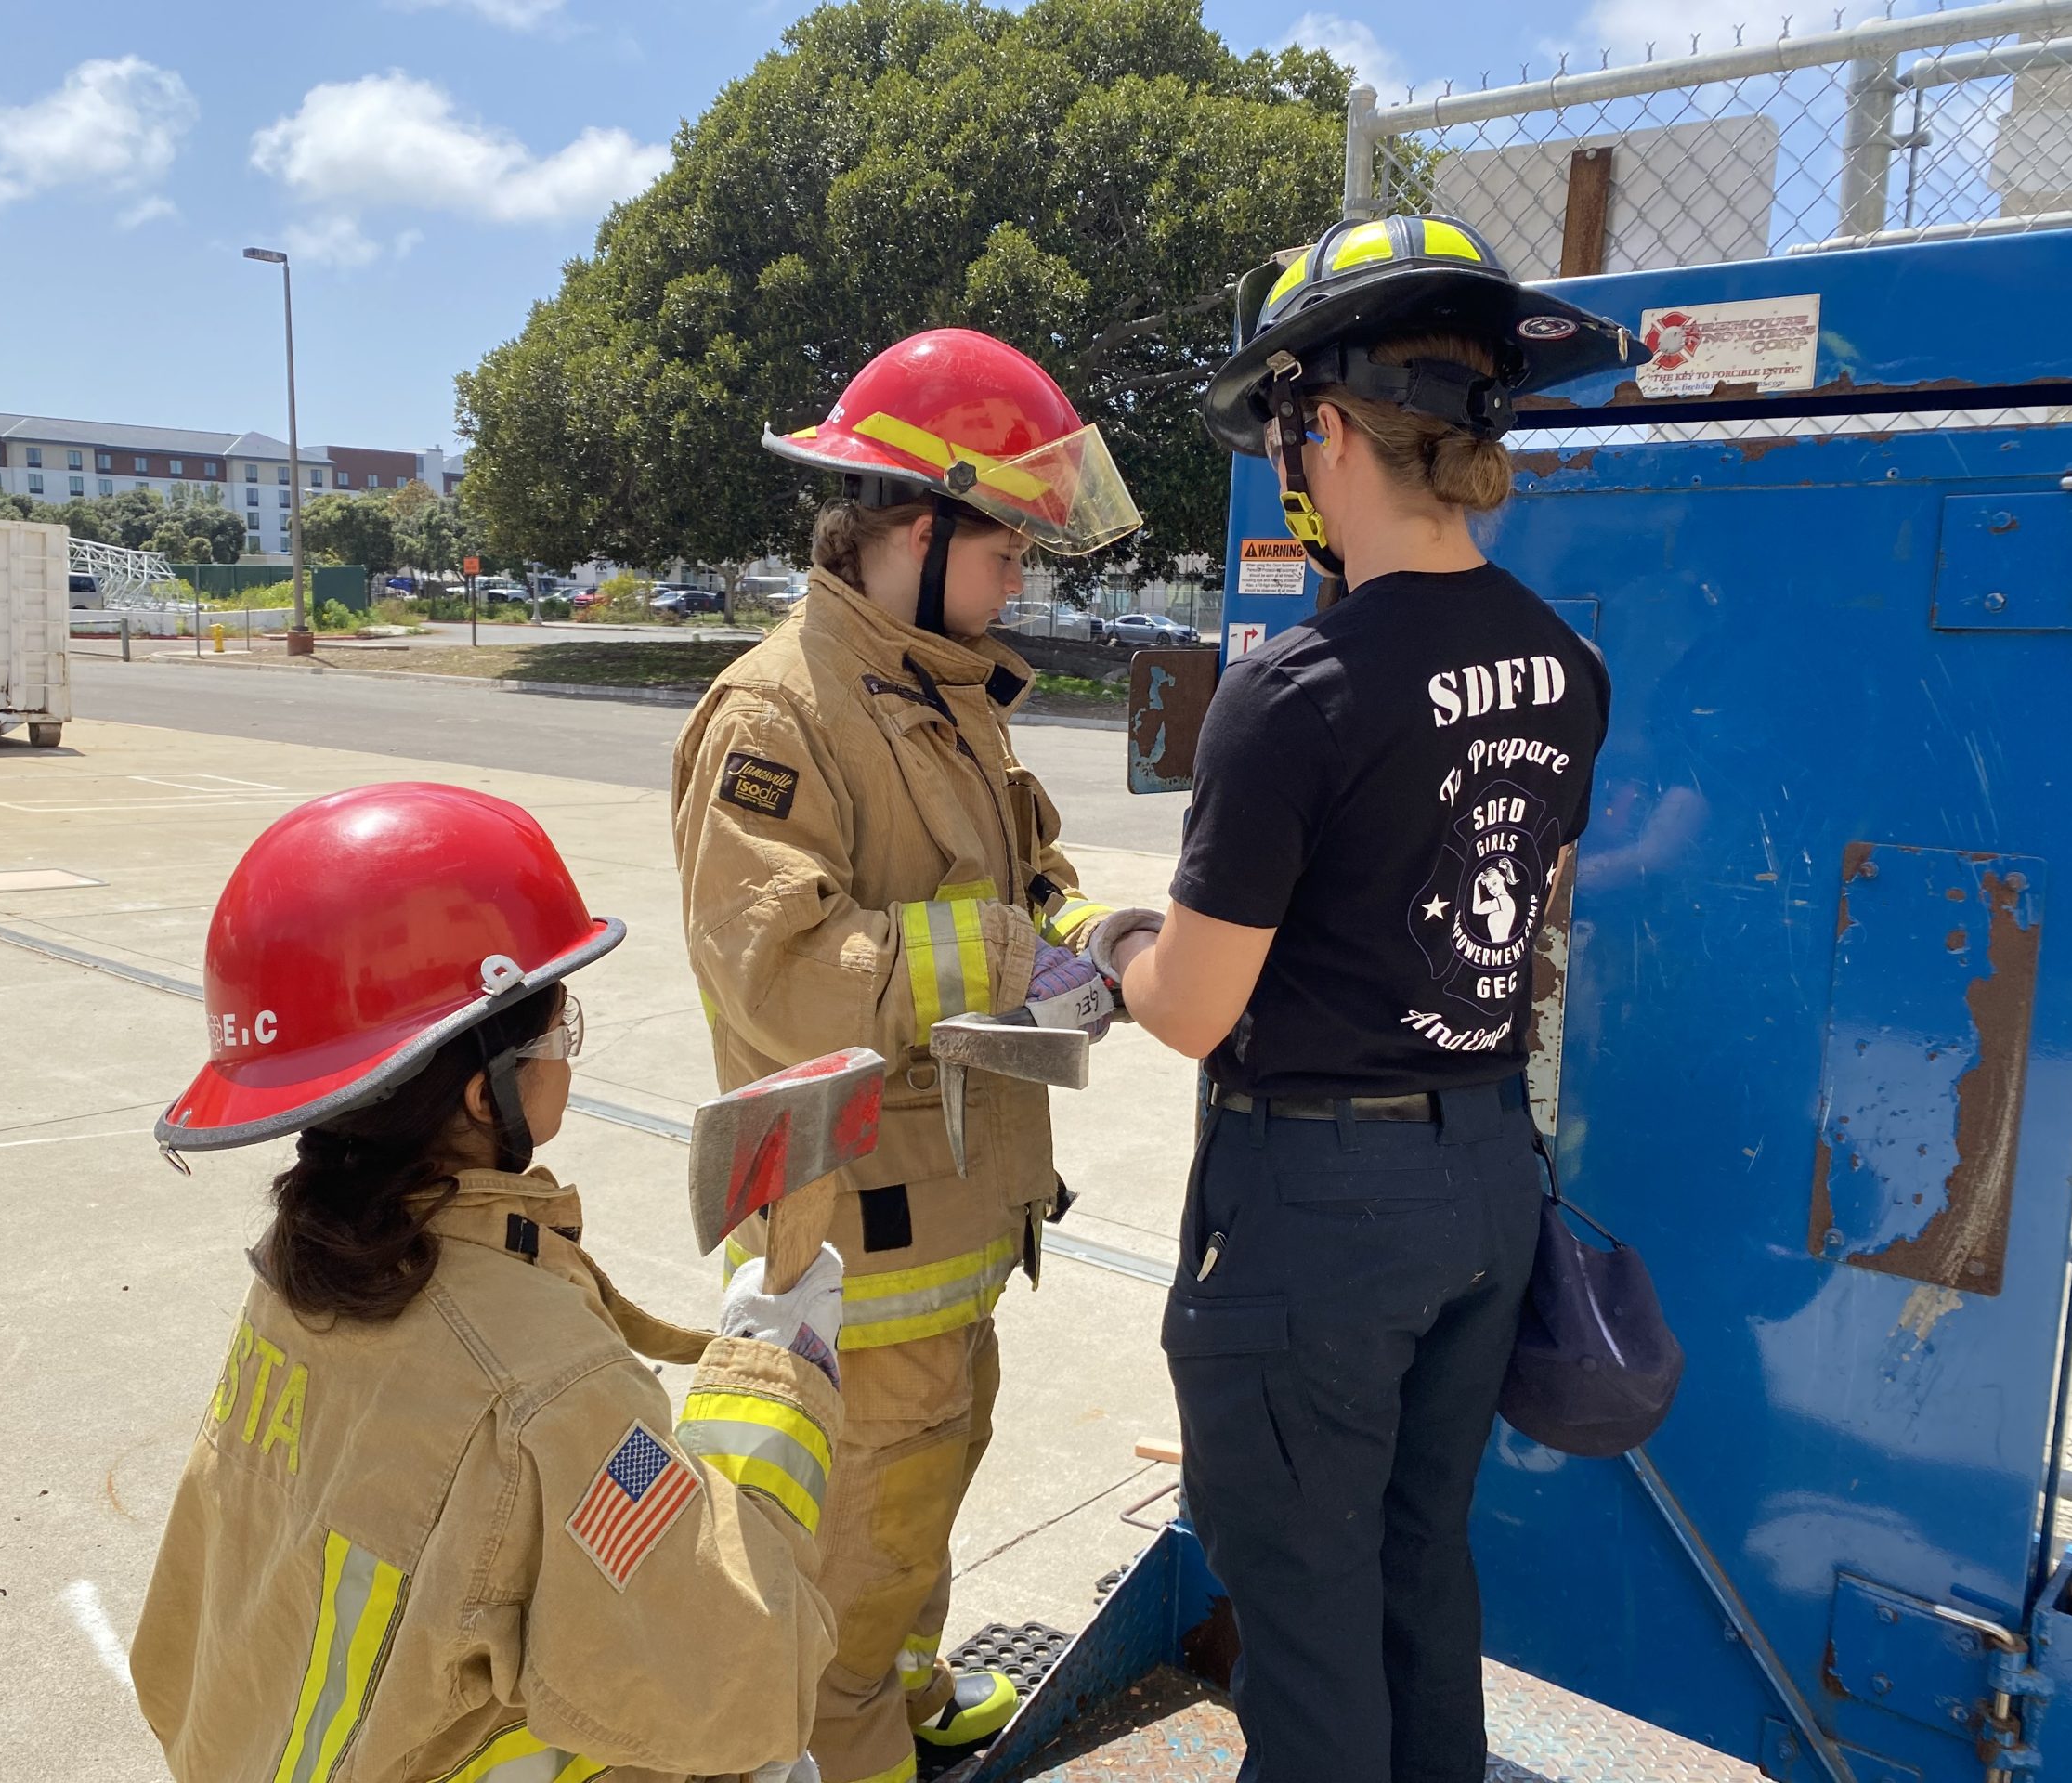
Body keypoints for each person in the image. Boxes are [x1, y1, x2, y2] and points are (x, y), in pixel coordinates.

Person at [1091, 214, 1645, 1782]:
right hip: (1480, 1177)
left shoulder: (1299, 688)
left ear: (1322, 428)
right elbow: (1517, 897)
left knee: (1310, 1615)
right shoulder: (1561, 664)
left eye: (1286, 427)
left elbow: (1195, 1007)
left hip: (1321, 1212)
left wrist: (1117, 942)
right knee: (1420, 1568)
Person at [132, 781, 846, 1783]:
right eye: (560, 1028)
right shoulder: (548, 1385)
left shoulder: (309, 1264)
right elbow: (744, 1677)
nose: (568, 1051)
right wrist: (771, 1377)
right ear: (483, 1088)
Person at [670, 329, 1141, 1783]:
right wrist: (1010, 952)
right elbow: (786, 974)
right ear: (912, 528)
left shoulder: (938, 693)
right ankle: (843, 1745)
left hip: (955, 1210)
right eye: (1006, 545)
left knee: (922, 1485)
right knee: (862, 1522)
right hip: (857, 1235)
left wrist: (1096, 935)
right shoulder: (781, 712)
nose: (1023, 576)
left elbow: (1028, 868)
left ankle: (899, 1680)